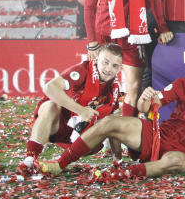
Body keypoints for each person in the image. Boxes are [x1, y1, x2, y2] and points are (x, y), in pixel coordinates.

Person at [40, 43, 185, 182]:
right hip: (160, 134)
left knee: (179, 163)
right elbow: (145, 108)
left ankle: (124, 173)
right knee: (110, 122)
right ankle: (60, 163)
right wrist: (144, 98)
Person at [17, 44, 124, 177]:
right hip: (61, 125)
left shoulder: (114, 90)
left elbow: (113, 127)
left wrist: (118, 161)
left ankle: (60, 164)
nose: (108, 69)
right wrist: (80, 110)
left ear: (120, 68)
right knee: (50, 106)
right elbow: (50, 87)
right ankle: (29, 161)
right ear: (97, 59)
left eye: (114, 66)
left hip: (85, 139)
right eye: (105, 62)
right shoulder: (82, 71)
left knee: (111, 121)